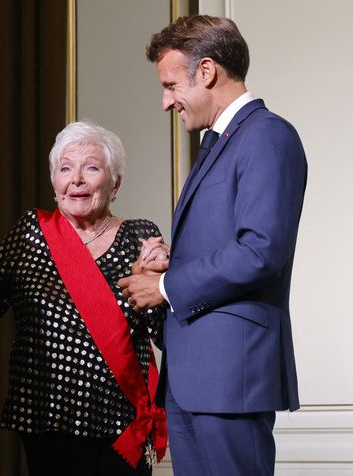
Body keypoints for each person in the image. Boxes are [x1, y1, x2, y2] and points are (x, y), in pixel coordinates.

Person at [118, 15, 307, 476]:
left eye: (169, 85)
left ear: (205, 72)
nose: (166, 102)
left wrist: (166, 285)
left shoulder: (267, 135)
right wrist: (169, 261)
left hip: (230, 378)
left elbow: (261, 250)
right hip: (195, 377)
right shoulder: (220, 142)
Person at [0, 121, 168, 476]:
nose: (76, 179)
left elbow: (164, 332)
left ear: (116, 184)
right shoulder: (32, 233)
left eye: (92, 168)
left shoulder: (140, 236)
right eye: (65, 168)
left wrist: (160, 284)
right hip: (48, 419)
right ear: (54, 182)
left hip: (123, 423)